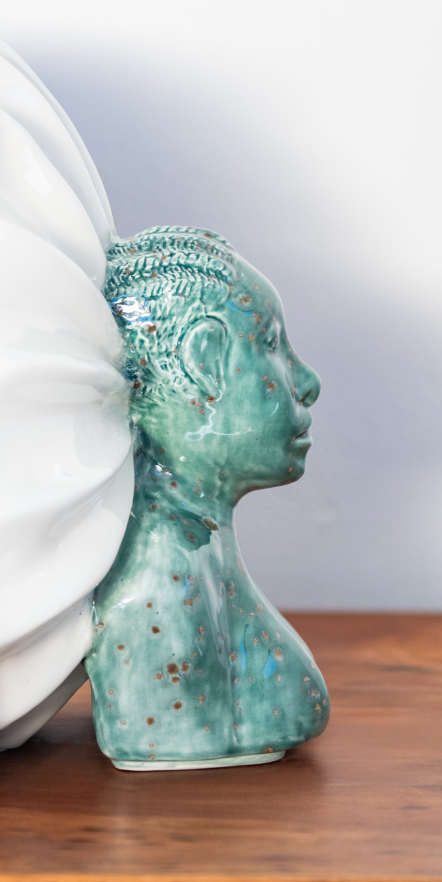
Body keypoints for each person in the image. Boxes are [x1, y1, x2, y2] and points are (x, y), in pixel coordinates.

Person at [85, 226, 329, 769]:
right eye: (271, 345)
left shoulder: (195, 556)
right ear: (204, 362)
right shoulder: (154, 597)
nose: (308, 381)